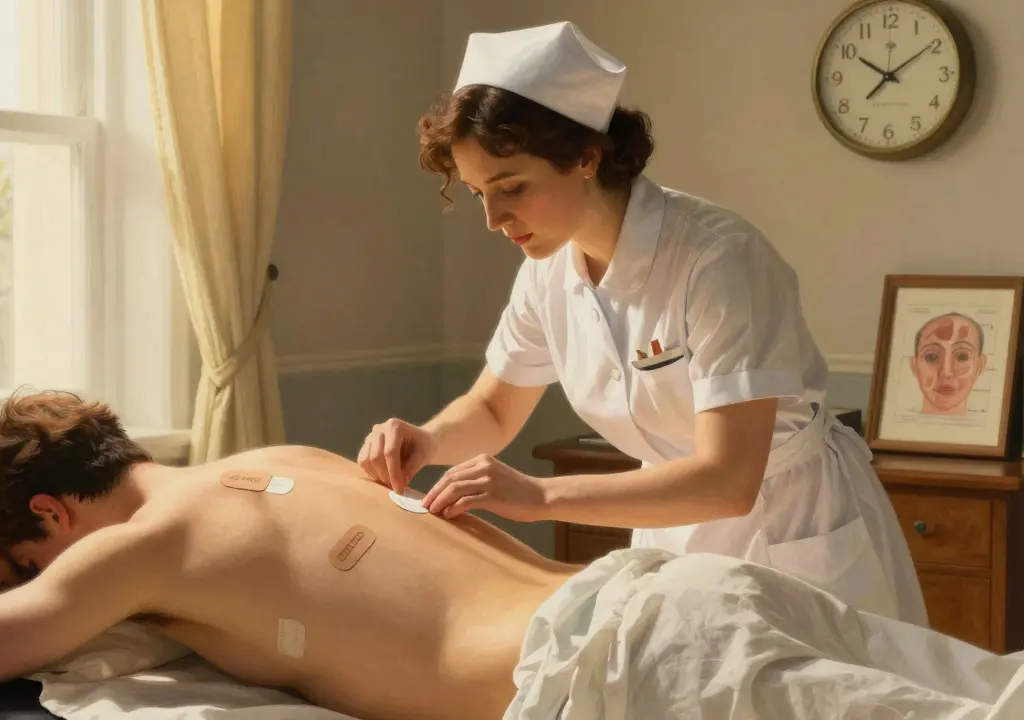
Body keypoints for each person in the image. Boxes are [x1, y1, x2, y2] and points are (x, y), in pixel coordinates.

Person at [0, 390, 1024, 719]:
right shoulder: (290, 454)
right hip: (676, 591)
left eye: (30, 552)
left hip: (625, 673)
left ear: (49, 514)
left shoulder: (129, 548)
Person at [355, 20, 927, 626]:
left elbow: (730, 480)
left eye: (512, 187)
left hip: (790, 527)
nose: (495, 218)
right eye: (477, 194)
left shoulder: (718, 260)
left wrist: (542, 496)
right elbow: (496, 410)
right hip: (673, 529)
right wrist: (428, 440)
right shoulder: (549, 268)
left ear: (585, 157)